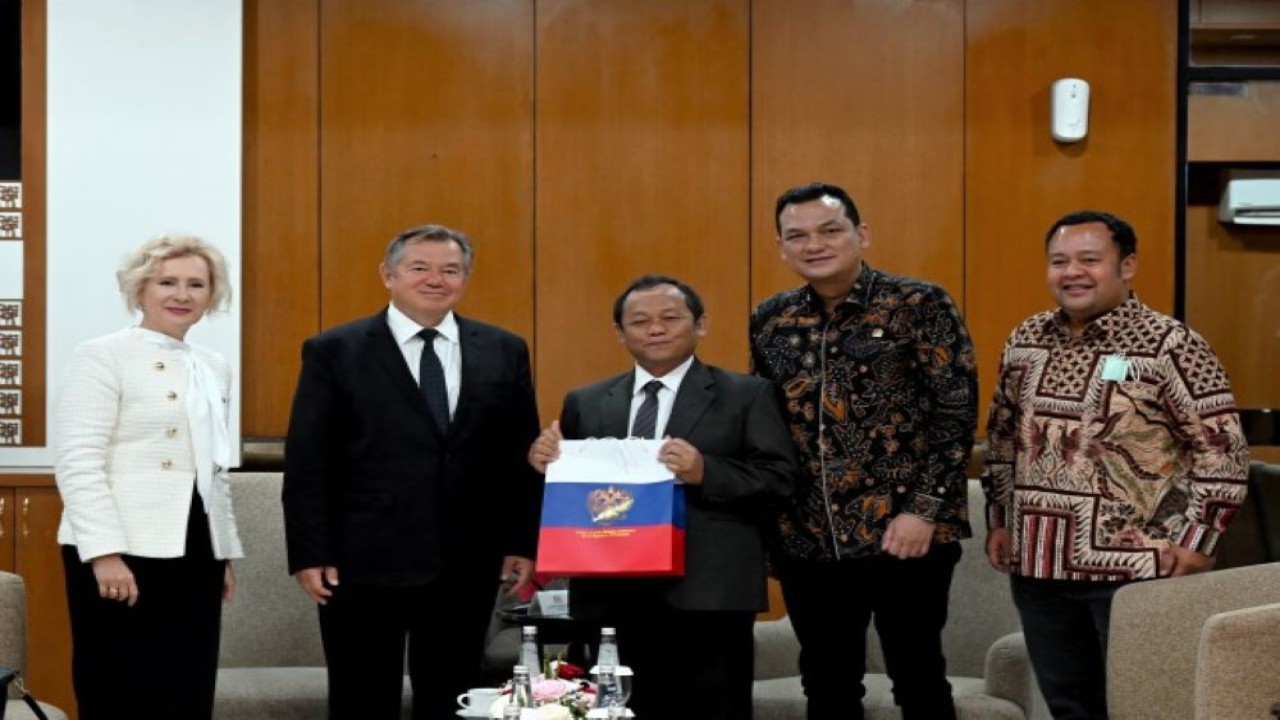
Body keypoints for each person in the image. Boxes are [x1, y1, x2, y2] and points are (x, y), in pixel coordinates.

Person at [980, 210, 1250, 719]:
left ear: (1126, 266)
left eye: (1089, 260)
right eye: (1059, 261)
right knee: (1069, 708)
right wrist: (1000, 519)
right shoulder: (1026, 340)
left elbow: (1222, 449)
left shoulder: (1171, 344)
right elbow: (1000, 438)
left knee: (1142, 707)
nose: (1072, 272)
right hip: (1039, 565)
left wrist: (1199, 542)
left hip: (1138, 569)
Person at [282, 223, 543, 719]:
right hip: (360, 559)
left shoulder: (504, 348)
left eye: (450, 270)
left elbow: (518, 455)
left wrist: (520, 541)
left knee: (452, 697)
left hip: (465, 559)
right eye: (419, 268)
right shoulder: (334, 350)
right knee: (362, 697)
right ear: (388, 275)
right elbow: (308, 458)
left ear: (465, 278)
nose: (435, 279)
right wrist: (309, 551)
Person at [750, 182, 978, 720]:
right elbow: (764, 423)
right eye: (797, 236)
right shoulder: (772, 318)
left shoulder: (919, 303)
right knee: (826, 683)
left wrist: (923, 509)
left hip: (907, 534)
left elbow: (956, 414)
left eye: (830, 230)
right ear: (782, 248)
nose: (815, 244)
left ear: (861, 233)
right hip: (809, 538)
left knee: (917, 675)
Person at [528, 275, 797, 720]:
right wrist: (546, 465)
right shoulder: (587, 401)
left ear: (700, 324)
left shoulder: (746, 395)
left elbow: (781, 481)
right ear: (620, 332)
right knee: (618, 711)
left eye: (670, 318)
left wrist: (705, 470)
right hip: (611, 593)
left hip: (709, 591)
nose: (656, 328)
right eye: (640, 321)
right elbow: (575, 495)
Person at [55, 234, 242, 719]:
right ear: (140, 290)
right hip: (121, 545)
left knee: (188, 683)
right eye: (167, 282)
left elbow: (212, 466)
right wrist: (103, 554)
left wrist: (221, 550)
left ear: (211, 295)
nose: (182, 294)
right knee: (119, 682)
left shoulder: (213, 365)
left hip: (195, 542)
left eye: (197, 284)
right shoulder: (101, 355)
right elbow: (78, 460)